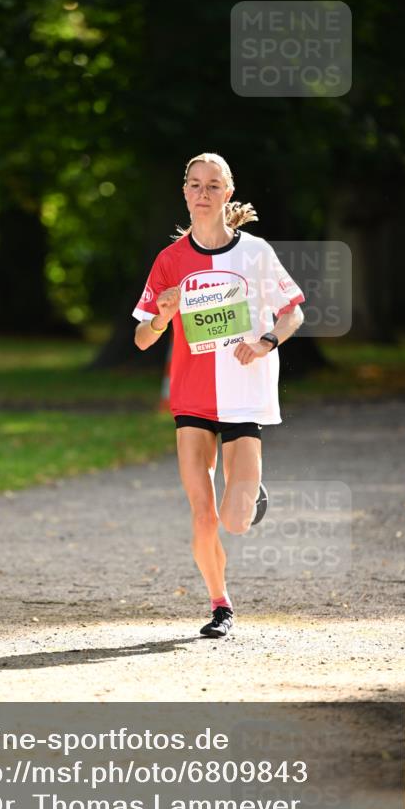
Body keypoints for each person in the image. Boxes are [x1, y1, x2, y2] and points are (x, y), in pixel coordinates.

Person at [133, 152, 304, 638]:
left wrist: (265, 341)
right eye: (194, 185)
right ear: (184, 192)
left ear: (227, 193)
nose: (202, 193)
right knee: (203, 513)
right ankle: (220, 605)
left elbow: (293, 313)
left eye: (213, 186)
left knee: (234, 522)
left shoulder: (255, 253)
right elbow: (143, 339)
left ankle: (248, 498)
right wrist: (163, 316)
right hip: (192, 399)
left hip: (244, 396)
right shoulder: (170, 261)